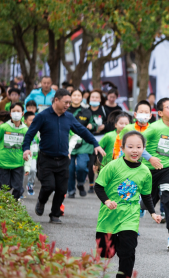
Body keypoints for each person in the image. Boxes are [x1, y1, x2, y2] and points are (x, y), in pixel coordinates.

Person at [22, 89, 106, 224]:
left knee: (62, 189)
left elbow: (82, 131)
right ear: (56, 100)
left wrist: (95, 143)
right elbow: (30, 134)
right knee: (48, 186)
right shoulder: (42, 116)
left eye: (69, 102)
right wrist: (26, 149)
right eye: (65, 102)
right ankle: (41, 201)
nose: (68, 105)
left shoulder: (69, 117)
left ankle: (55, 215)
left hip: (62, 160)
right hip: (46, 159)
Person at [95, 131, 162, 278]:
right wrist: (106, 201)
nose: (134, 150)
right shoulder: (113, 166)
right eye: (130, 146)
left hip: (130, 218)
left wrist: (153, 213)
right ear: (123, 148)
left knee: (128, 253)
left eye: (139, 147)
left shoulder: (145, 172)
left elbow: (146, 196)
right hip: (109, 217)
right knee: (106, 253)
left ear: (143, 149)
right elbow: (98, 186)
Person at [143, 98, 169, 249]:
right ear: (160, 113)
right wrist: (150, 158)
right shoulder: (154, 128)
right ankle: (136, 218)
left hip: (166, 169)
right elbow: (136, 144)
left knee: (168, 197)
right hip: (148, 170)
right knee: (148, 201)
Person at [0, 102, 30, 200]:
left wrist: (27, 166)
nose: (16, 113)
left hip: (18, 163)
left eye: (18, 111)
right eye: (14, 111)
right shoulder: (3, 127)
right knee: (6, 186)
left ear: (22, 113)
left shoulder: (25, 130)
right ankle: (6, 186)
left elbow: (29, 148)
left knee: (17, 188)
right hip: (3, 163)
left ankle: (13, 205)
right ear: (10, 114)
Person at [67, 89, 95, 198]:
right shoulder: (65, 110)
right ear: (70, 96)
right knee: (70, 169)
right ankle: (71, 190)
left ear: (82, 97)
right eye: (74, 95)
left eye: (79, 95)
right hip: (69, 143)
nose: (76, 97)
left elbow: (93, 123)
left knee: (82, 167)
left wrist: (92, 126)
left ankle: (80, 184)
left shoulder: (87, 111)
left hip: (83, 144)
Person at [87, 89, 113, 194]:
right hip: (89, 139)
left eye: (97, 97)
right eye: (92, 97)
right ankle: (90, 184)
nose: (94, 99)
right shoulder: (85, 110)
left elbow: (110, 123)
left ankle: (99, 181)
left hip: (102, 138)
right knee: (90, 162)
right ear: (89, 98)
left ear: (100, 99)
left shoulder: (104, 110)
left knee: (99, 161)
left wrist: (104, 126)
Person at [24, 111, 38, 195]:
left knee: (33, 170)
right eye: (31, 120)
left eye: (34, 120)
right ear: (25, 121)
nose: (33, 122)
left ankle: (30, 184)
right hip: (22, 155)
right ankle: (19, 190)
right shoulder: (23, 129)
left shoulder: (38, 130)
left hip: (33, 156)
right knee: (21, 172)